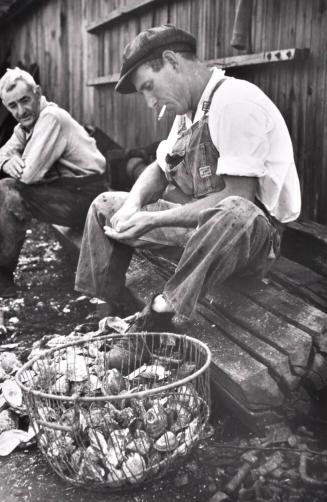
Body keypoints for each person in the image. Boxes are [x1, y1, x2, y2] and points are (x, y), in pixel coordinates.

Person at [75, 24, 301, 330]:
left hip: (250, 242)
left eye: (148, 87)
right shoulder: (187, 113)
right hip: (201, 231)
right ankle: (103, 317)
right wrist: (133, 206)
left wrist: (153, 220)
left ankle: (158, 315)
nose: (149, 102)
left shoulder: (235, 101)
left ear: (171, 61)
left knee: (236, 211)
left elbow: (239, 199)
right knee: (105, 206)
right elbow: (159, 168)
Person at [0, 67, 107, 297]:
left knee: (8, 190)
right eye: (12, 106)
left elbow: (28, 176)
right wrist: (6, 161)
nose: (20, 110)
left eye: (25, 100)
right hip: (69, 192)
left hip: (88, 197)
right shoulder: (26, 125)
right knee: (8, 185)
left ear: (38, 92)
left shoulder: (50, 117)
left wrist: (13, 161)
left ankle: (2, 277)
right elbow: (2, 152)